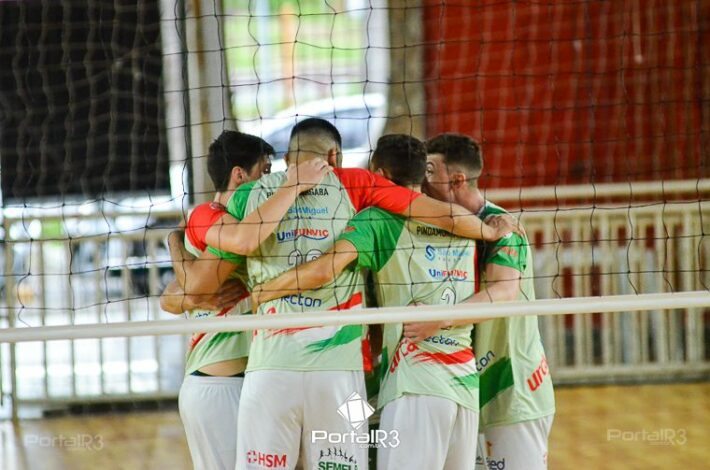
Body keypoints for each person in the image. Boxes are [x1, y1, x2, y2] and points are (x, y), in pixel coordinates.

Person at [183, 119, 514, 470]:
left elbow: (200, 287)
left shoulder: (251, 195)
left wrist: (187, 268)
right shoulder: (356, 186)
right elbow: (437, 213)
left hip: (271, 373)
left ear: (286, 160)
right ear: (333, 155)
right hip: (348, 377)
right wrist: (487, 227)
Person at [251, 134, 487, 470]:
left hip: (412, 386)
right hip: (463, 386)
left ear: (379, 173)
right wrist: (493, 230)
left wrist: (263, 292)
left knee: (331, 441)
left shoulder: (377, 221)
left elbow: (324, 269)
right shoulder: (466, 226)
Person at [158, 130, 330, 470]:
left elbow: (178, 294)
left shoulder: (254, 223)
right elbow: (182, 292)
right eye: (265, 171)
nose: (270, 179)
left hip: (258, 379)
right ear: (240, 174)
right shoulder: (212, 216)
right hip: (219, 385)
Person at [417, 133, 556, 470]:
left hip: (510, 390)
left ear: (457, 179)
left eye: (430, 171)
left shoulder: (503, 228)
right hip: (463, 390)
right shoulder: (440, 224)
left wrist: (440, 318)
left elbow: (503, 292)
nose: (422, 180)